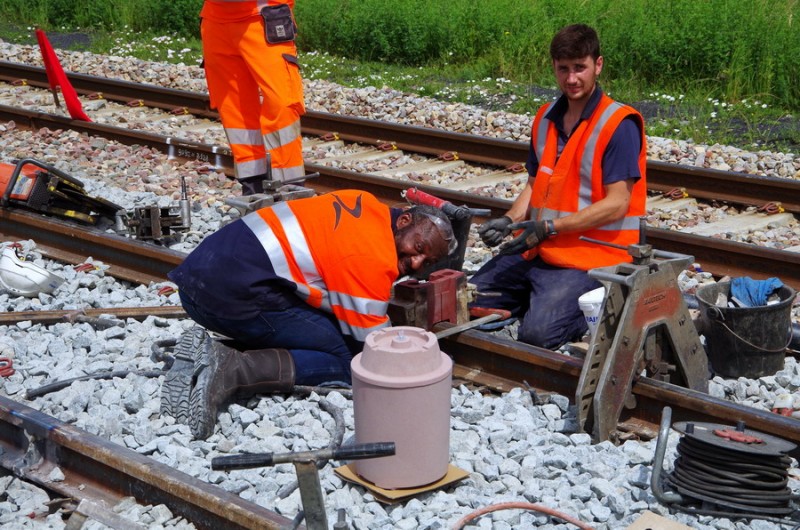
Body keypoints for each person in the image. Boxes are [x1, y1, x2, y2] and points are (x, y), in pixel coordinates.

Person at [163, 190, 456, 439]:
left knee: (323, 330)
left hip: (194, 284)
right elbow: (376, 346)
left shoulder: (364, 202)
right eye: (418, 247)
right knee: (350, 361)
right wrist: (421, 365)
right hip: (231, 298)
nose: (417, 263)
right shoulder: (373, 257)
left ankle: (214, 355)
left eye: (426, 261)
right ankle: (236, 368)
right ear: (404, 221)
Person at [470, 24, 647, 349]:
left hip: (593, 256)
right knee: (468, 301)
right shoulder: (545, 118)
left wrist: (549, 226)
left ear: (598, 65)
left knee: (538, 335)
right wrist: (509, 219)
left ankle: (604, 302)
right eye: (563, 68)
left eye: (580, 67)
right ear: (553, 67)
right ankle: (534, 300)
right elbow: (535, 185)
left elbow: (617, 203)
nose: (571, 78)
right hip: (540, 248)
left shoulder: (617, 125)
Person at [200, 0, 306, 194]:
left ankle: (290, 185)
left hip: (264, 18)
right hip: (216, 20)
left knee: (281, 102)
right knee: (235, 110)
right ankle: (252, 187)